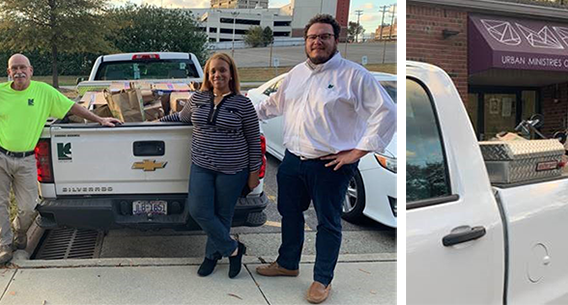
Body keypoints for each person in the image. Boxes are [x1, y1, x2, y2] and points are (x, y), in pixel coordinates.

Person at [253, 14, 397, 304]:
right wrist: (232, 109)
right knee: (289, 214)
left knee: (328, 222)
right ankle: (288, 264)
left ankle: (322, 280)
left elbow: (387, 113)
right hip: (293, 161)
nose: (317, 42)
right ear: (305, 42)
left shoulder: (354, 75)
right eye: (312, 37)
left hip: (330, 165)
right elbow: (269, 107)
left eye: (324, 37)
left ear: (336, 40)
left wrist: (357, 152)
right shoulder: (295, 75)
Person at [0, 54, 121, 263]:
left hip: (27, 159)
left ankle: (19, 230)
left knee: (29, 207)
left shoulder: (44, 92)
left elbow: (72, 107)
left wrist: (99, 119)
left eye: (23, 67)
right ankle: (4, 243)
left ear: (31, 70)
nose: (19, 72)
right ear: (9, 72)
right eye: (14, 68)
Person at [160, 52, 261, 279]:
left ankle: (210, 257)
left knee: (223, 214)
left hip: (233, 169)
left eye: (222, 70)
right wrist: (153, 123)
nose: (217, 75)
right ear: (207, 74)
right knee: (199, 210)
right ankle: (233, 249)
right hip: (202, 165)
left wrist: (254, 173)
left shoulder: (243, 103)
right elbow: (181, 118)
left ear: (231, 74)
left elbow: (254, 139)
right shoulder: (197, 98)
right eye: (213, 71)